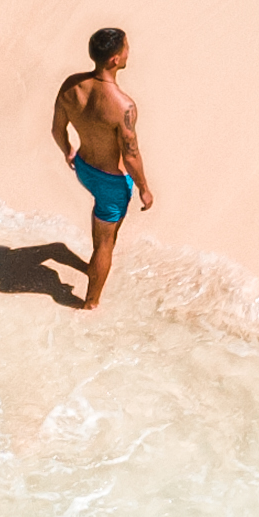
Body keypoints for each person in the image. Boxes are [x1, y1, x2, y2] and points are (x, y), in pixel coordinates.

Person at [51, 27, 154, 311]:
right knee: (105, 244)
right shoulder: (124, 106)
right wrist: (144, 188)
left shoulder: (71, 85)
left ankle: (94, 266)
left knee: (102, 235)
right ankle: (90, 304)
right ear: (114, 60)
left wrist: (68, 151)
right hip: (111, 185)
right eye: (126, 48)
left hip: (84, 169)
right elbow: (130, 157)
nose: (129, 52)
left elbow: (57, 129)